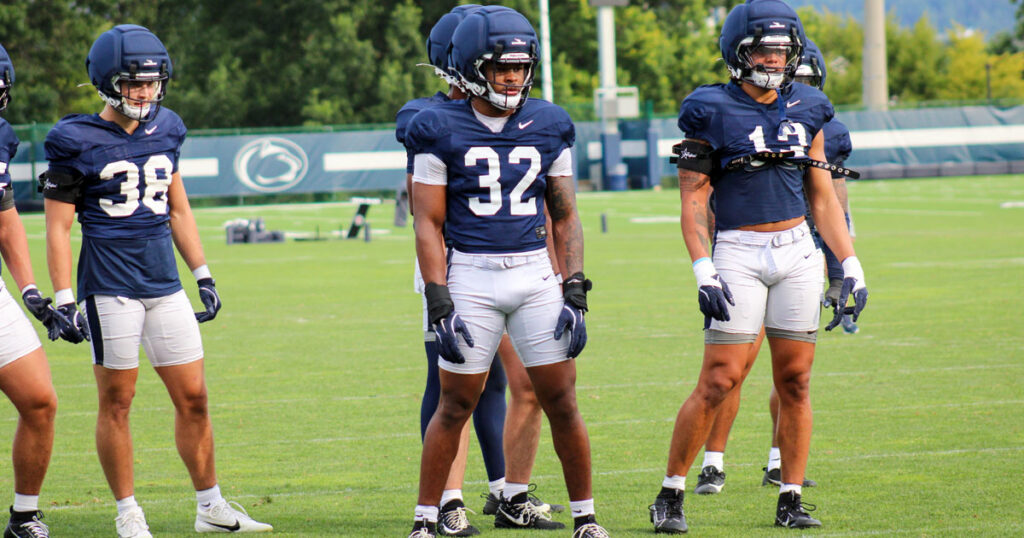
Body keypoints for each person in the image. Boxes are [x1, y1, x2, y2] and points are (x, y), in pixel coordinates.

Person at [40, 25, 272, 537]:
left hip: (165, 285)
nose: (144, 93)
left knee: (195, 398)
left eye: (151, 83)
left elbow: (178, 208)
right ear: (107, 82)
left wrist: (203, 274)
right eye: (132, 83)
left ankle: (210, 507)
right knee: (117, 402)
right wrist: (63, 298)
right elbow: (57, 228)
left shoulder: (168, 128)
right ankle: (128, 513)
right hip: (109, 287)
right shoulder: (74, 139)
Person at [648, 0, 867, 532]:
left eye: (782, 50)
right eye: (765, 49)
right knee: (720, 379)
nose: (775, 59)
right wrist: (703, 266)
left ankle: (790, 498)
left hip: (797, 251)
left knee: (796, 381)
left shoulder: (810, 104)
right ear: (738, 52)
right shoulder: (709, 108)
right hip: (739, 252)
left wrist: (851, 263)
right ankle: (671, 493)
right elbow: (694, 201)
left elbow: (822, 198)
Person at [405, 6, 607, 538]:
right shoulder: (436, 125)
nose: (513, 76)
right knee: (456, 402)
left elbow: (564, 214)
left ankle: (586, 518)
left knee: (560, 397)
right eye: (500, 67)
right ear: (473, 68)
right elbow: (426, 222)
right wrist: (438, 297)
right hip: (470, 271)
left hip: (535, 273)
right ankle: (429, 518)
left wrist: (575, 286)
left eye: (520, 66)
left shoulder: (549, 123)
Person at [692, 38, 856, 495]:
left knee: (793, 376)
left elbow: (833, 203)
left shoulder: (823, 124)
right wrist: (712, 257)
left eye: (804, 81)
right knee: (733, 368)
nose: (794, 89)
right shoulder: (733, 115)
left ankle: (778, 464)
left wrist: (842, 269)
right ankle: (713, 461)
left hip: (800, 250)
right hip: (745, 245)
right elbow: (706, 198)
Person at [0, 43, 67, 538]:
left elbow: (5, 221)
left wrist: (28, 290)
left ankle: (24, 517)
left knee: (40, 400)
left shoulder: (1, 137)